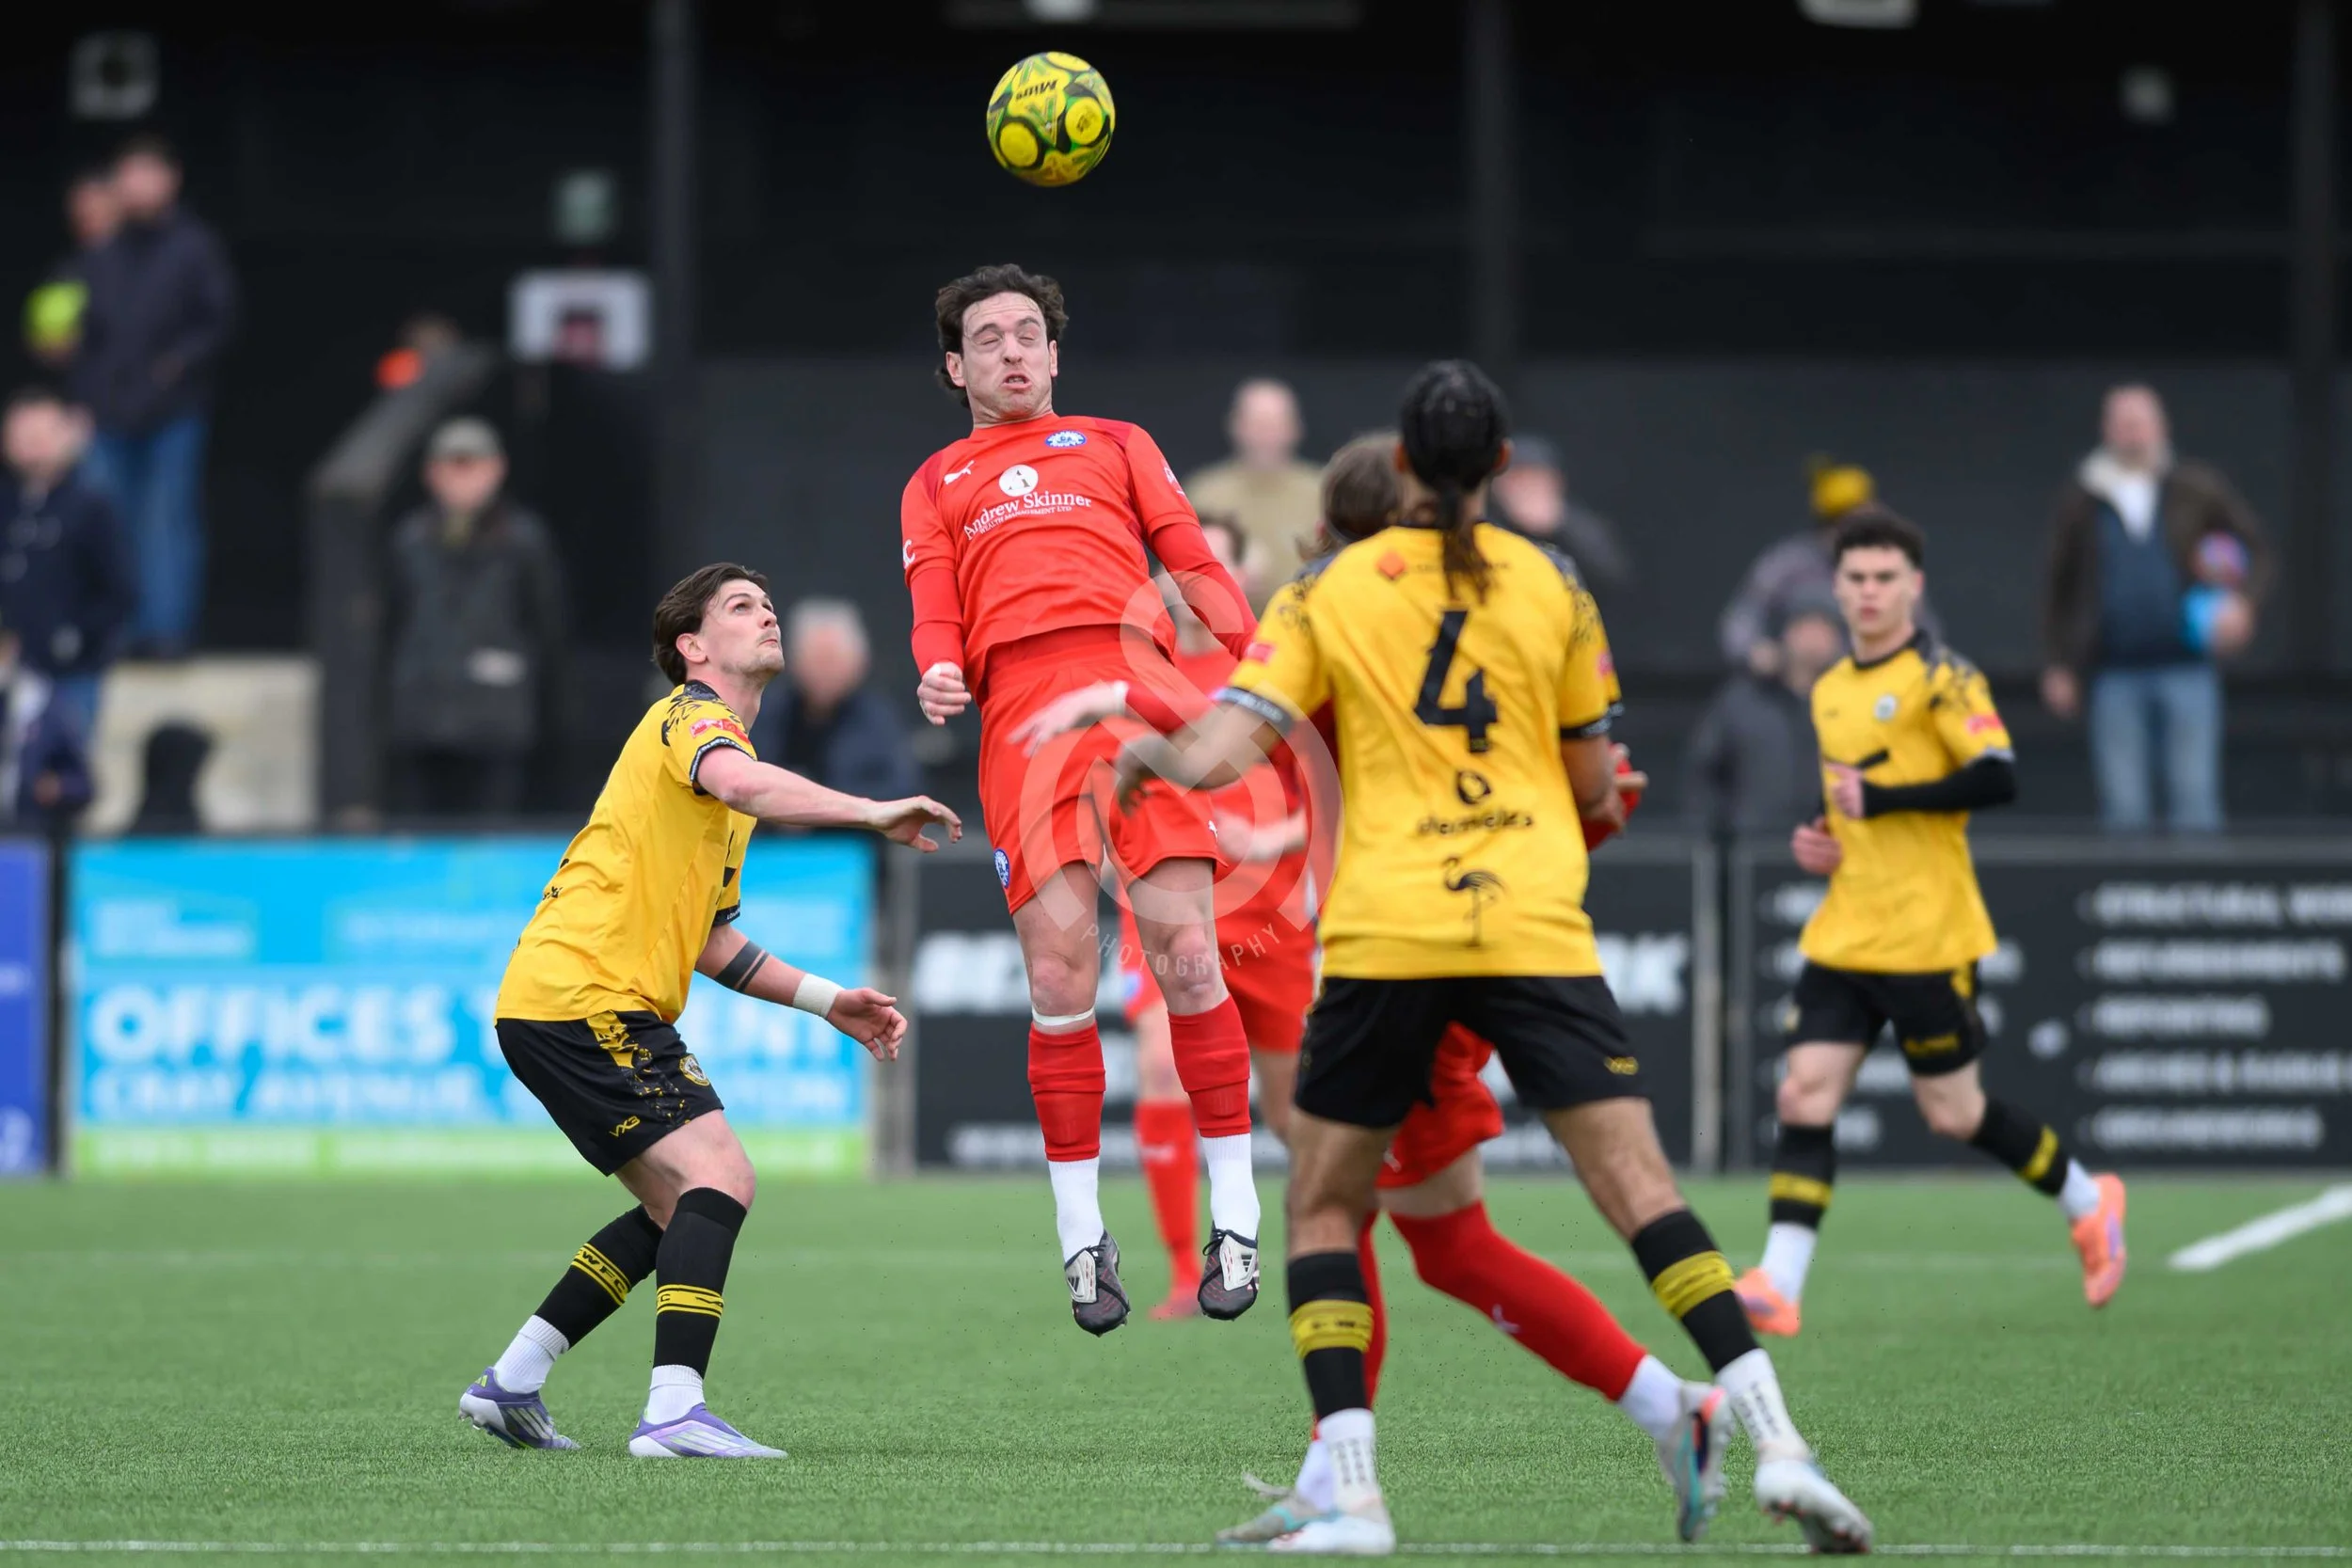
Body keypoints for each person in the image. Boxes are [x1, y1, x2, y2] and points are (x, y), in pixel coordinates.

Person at [1111, 360, 1870, 1556]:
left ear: (1401, 468)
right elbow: (1592, 782)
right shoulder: (1552, 581)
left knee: (1326, 1205)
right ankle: (1774, 1434)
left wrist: (1137, 754)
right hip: (1528, 923)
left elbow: (1220, 750)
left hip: (1391, 936)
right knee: (1627, 1198)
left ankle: (1351, 1489)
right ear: (1501, 469)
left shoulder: (1329, 596)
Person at [1031, 435, 1737, 1547]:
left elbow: (1232, 753)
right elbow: (1569, 777)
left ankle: (1381, 1471)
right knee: (1394, 1223)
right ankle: (1358, 1459)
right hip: (1412, 955)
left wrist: (1119, 717)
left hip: (1390, 971)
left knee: (1370, 1217)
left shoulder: (1331, 631)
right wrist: (1599, 798)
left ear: (1330, 536)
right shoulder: (1438, 620)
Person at [462, 563, 960, 1459]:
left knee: (675, 1209)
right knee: (720, 1176)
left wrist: (829, 1001)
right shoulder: (693, 721)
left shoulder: (728, 766)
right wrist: (871, 811)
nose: (766, 614)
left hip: (567, 998)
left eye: (768, 604)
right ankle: (673, 1411)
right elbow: (742, 785)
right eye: (740, 606)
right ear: (692, 646)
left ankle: (513, 1380)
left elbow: (712, 941)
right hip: (586, 994)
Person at [898, 263, 1265, 1334]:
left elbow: (1193, 561)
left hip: (1137, 696)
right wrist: (936, 669)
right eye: (988, 338)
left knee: (1188, 956)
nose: (1012, 351)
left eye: (1029, 334)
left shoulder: (1117, 442)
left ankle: (1237, 1218)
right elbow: (933, 609)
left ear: (1055, 354)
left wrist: (1257, 662)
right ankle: (1081, 1237)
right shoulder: (937, 479)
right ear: (955, 367)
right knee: (1060, 976)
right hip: (1021, 718)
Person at [1737, 510, 2127, 1346]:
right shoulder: (1830, 688)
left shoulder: (1943, 678)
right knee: (1803, 1092)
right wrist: (1821, 836)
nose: (1870, 592)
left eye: (1886, 577)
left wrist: (1884, 801)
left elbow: (1997, 775)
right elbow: (1848, 801)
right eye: (1856, 578)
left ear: (1914, 585)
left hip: (1926, 933)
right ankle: (1779, 1282)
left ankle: (2090, 1200)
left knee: (1954, 1113)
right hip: (1847, 930)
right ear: (1836, 586)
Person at [1015, 512, 1319, 1322]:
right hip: (1172, 896)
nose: (1192, 577)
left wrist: (1271, 836)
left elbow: (1329, 787)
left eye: (1214, 561)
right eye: (1183, 563)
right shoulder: (1134, 658)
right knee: (1156, 1067)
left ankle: (1323, 1241)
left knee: (1289, 1107)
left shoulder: (1268, 662)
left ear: (1240, 577)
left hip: (1271, 912)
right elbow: (1106, 772)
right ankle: (1189, 1270)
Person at [2038, 385, 2268, 833]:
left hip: (2188, 666)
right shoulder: (2083, 498)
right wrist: (2058, 663)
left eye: (2140, 423)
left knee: (2194, 800)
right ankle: (2128, 884)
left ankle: (2197, 882)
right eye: (2123, 424)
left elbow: (2256, 551)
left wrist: (2242, 602)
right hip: (2113, 672)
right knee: (2124, 809)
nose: (2133, 434)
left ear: (2161, 428)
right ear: (2106, 430)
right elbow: (2058, 585)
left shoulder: (2196, 488)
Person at [72, 135, 238, 657]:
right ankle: (117, 628)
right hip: (107, 411)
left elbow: (219, 320)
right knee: (109, 522)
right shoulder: (100, 252)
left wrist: (177, 363)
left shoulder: (195, 247)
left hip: (173, 410)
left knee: (167, 521)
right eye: (129, 174)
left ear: (172, 179)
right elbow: (76, 334)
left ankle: (166, 632)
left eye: (149, 173)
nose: (138, 185)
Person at [384, 419, 570, 819]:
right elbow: (390, 623)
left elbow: (547, 625)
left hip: (497, 719)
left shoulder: (523, 540)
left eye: (473, 466)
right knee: (420, 832)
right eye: (453, 466)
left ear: (496, 469)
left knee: (493, 831)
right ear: (431, 473)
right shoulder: (409, 539)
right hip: (422, 717)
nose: (463, 479)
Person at [0, 387, 138, 735]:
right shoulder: (6, 504)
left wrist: (75, 637)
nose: (33, 445)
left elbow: (120, 589)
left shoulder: (91, 506)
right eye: (22, 434)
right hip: (8, 668)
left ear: (69, 436)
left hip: (69, 673)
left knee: (62, 761)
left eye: (42, 434)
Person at [1718, 459, 1938, 675]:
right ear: (1827, 526)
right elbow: (1741, 618)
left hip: (1866, 681)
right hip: (1792, 682)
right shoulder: (1789, 564)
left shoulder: (1889, 566)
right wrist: (1755, 651)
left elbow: (1926, 633)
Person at [1684, 593, 1842, 838]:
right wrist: (1711, 837)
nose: (1813, 639)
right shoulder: (1742, 701)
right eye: (1805, 627)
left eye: (1823, 629)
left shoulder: (1854, 702)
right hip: (1754, 844)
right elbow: (1705, 773)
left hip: (1832, 844)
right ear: (1784, 634)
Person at [746, 598, 920, 803]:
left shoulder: (879, 721)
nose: (824, 671)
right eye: (815, 659)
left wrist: (819, 802)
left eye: (832, 660)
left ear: (858, 662)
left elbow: (903, 789)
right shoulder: (767, 714)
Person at [1184, 378, 1325, 602]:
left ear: (1295, 428)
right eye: (1257, 424)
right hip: (1223, 620)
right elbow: (1175, 573)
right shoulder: (1205, 494)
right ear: (1235, 426)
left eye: (1276, 424)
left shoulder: (1323, 492)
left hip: (1306, 618)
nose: (1266, 435)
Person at [1487, 433, 1631, 589]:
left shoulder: (1579, 526)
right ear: (1497, 484)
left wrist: (1558, 525)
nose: (1526, 487)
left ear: (1557, 481)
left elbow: (1614, 576)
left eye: (1536, 477)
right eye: (1517, 478)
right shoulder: (1484, 520)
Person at [0, 608, 94, 831]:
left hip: (27, 831)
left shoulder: (40, 702)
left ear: (12, 646)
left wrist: (57, 787)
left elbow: (84, 785)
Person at [24, 168, 119, 369]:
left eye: (96, 206)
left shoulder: (150, 262)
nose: (88, 212)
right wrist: (51, 346)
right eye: (81, 208)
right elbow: (40, 340)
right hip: (86, 379)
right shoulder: (64, 273)